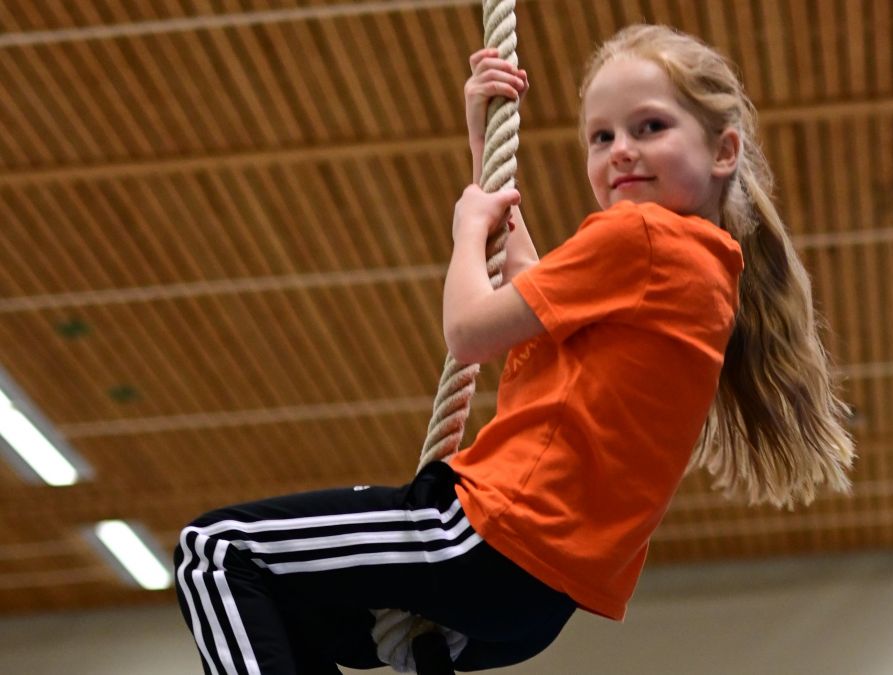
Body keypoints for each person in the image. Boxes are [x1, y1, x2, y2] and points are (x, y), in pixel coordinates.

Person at [174, 24, 855, 674]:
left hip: (488, 536)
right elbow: (528, 286)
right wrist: (485, 143)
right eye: (601, 136)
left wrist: (466, 230)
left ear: (723, 151)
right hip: (531, 600)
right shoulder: (698, 272)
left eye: (650, 127)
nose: (621, 150)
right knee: (286, 606)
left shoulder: (645, 238)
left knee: (217, 551)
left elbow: (470, 330)